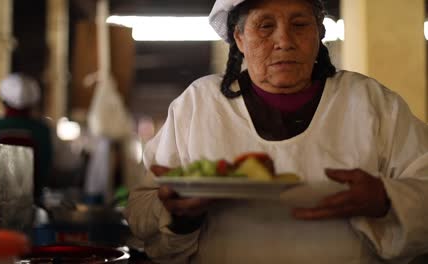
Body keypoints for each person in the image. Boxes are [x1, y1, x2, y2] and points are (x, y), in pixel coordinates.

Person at [124, 0, 428, 263]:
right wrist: (179, 217)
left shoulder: (371, 102)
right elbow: (139, 211)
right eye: (265, 26)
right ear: (239, 38)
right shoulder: (199, 104)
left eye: (299, 24)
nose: (284, 40)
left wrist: (387, 199)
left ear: (319, 34)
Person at [0, 73, 53, 200]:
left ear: (2, 99)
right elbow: (63, 167)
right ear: (34, 101)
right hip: (32, 203)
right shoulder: (45, 130)